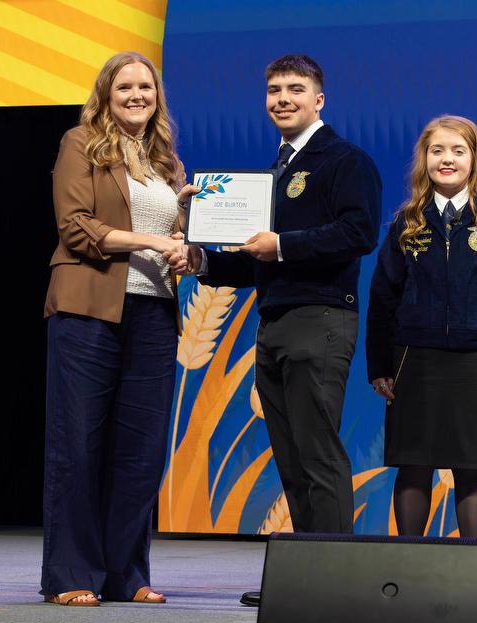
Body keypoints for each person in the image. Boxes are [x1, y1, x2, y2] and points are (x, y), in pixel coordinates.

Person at [170, 54, 381, 537]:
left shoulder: (346, 161)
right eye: (274, 91)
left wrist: (282, 245)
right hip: (276, 322)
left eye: (295, 89)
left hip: (320, 319)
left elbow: (359, 233)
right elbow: (256, 257)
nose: (282, 99)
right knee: (289, 454)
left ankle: (331, 579)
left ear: (319, 99)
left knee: (317, 452)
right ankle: (305, 576)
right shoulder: (277, 169)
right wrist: (203, 260)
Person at [41, 51, 197, 607]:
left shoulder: (166, 161)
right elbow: (76, 228)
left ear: (158, 97)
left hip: (153, 313)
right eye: (125, 86)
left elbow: (174, 237)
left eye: (146, 88)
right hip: (88, 309)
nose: (137, 96)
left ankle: (127, 574)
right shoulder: (80, 143)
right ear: (105, 93)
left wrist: (188, 242)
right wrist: (155, 242)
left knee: (141, 451)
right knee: (78, 446)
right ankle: (71, 574)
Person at [366, 115, 477, 538]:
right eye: (437, 150)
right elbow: (382, 300)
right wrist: (379, 365)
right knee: (414, 464)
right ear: (423, 159)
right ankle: (407, 565)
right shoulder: (407, 221)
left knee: (472, 466)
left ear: (474, 159)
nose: (447, 159)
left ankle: (474, 570)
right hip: (414, 359)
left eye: (457, 151)